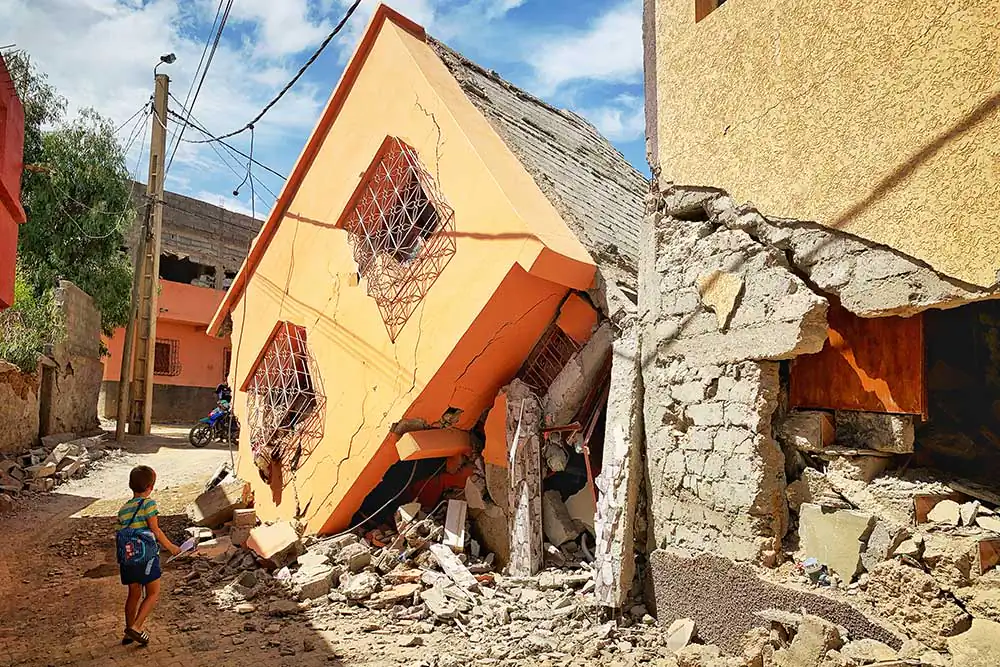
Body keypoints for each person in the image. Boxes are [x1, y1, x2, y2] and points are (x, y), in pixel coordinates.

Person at [116, 465, 180, 646]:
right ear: (150, 487)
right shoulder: (148, 504)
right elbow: (155, 530)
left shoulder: (123, 509)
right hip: (147, 558)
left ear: (131, 485)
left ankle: (128, 632)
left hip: (128, 559)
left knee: (133, 594)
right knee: (153, 593)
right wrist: (171, 547)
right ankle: (136, 627)